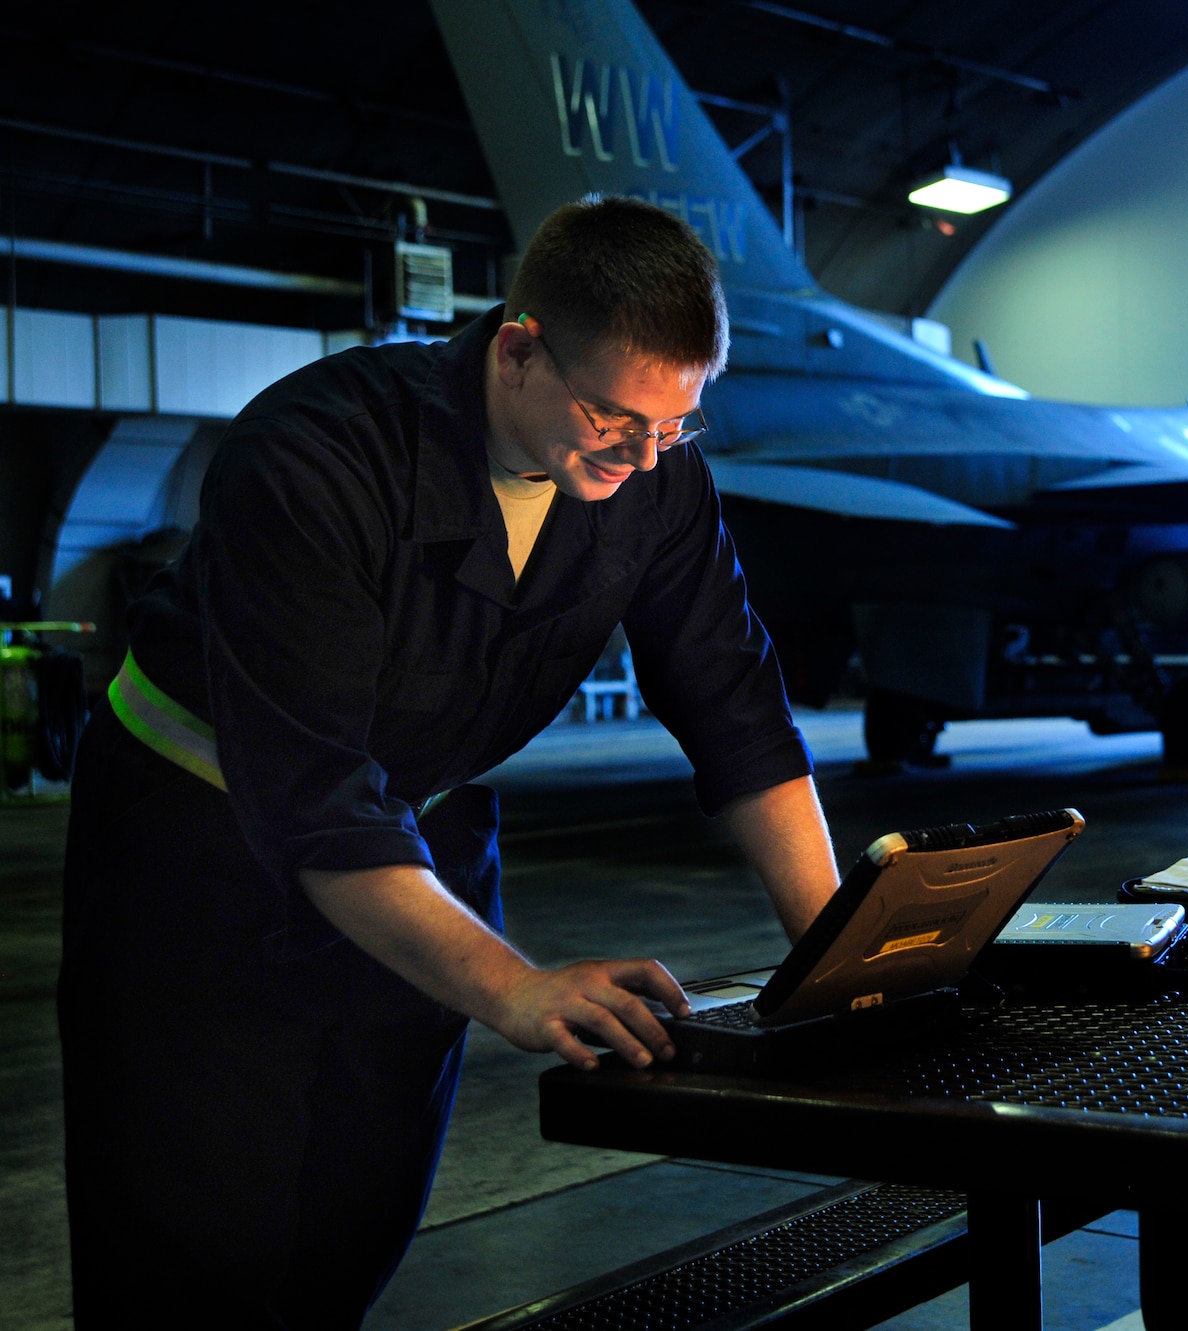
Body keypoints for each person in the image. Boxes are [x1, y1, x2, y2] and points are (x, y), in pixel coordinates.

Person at [58, 196, 841, 1329]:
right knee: (189, 1255)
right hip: (199, 859)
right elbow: (316, 794)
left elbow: (738, 711)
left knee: (347, 1225)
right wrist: (514, 986)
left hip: (412, 847)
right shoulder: (315, 452)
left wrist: (836, 957)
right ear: (518, 348)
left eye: (679, 426)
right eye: (614, 417)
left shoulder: (654, 471)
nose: (647, 454)